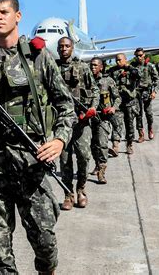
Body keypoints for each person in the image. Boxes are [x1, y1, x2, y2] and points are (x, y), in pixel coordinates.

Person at [0, 0, 75, 275]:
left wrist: (59, 140)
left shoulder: (38, 56)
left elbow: (65, 105)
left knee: (44, 237)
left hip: (33, 161)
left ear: (17, 16)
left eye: (3, 12)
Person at [55, 37, 99, 210]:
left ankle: (81, 190)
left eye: (67, 46)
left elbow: (94, 90)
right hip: (62, 123)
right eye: (61, 47)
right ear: (58, 49)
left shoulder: (82, 67)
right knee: (65, 160)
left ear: (72, 48)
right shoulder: (53, 68)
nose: (64, 49)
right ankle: (68, 194)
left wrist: (93, 108)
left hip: (82, 121)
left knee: (83, 156)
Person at [88, 57, 121, 184]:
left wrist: (113, 107)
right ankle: (97, 163)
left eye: (95, 65)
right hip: (90, 118)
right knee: (92, 145)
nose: (93, 68)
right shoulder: (86, 80)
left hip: (104, 118)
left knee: (102, 144)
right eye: (91, 65)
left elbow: (117, 97)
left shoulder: (108, 81)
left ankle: (102, 171)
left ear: (101, 67)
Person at [107, 53, 140, 154]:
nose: (118, 62)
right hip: (118, 103)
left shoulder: (132, 70)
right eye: (116, 60)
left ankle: (129, 144)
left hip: (130, 102)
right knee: (117, 125)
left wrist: (128, 68)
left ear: (125, 60)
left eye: (120, 60)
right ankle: (115, 146)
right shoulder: (112, 71)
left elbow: (137, 75)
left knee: (129, 125)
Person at [131, 48, 159, 142]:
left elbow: (156, 80)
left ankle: (150, 128)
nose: (138, 57)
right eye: (137, 55)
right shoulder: (132, 66)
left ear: (144, 55)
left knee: (149, 113)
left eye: (140, 55)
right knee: (138, 114)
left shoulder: (150, 66)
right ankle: (141, 134)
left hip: (147, 92)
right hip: (136, 93)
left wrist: (154, 91)